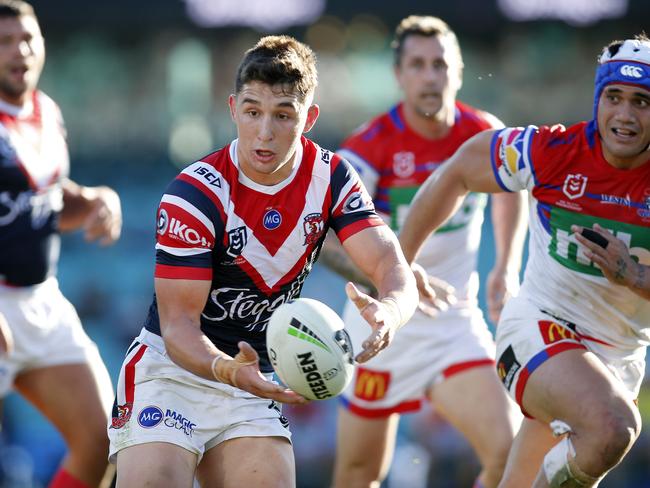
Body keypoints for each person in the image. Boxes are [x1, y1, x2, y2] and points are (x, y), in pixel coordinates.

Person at [107, 35, 418, 487]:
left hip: (254, 380)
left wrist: (390, 313)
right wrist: (228, 369)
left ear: (308, 118)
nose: (265, 132)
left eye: (283, 115)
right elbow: (177, 328)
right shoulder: (194, 194)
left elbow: (392, 267)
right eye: (253, 112)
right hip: (173, 374)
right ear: (233, 108)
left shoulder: (332, 178)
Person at [399, 34, 650, 487]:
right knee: (615, 428)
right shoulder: (551, 150)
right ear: (598, 98)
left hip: (616, 362)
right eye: (614, 97)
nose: (625, 116)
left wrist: (634, 275)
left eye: (642, 102)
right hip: (539, 331)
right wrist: (398, 266)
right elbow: (458, 170)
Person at [323, 16, 526, 488]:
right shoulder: (369, 147)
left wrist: (505, 266)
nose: (430, 76)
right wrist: (395, 274)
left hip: (452, 322)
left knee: (511, 454)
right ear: (399, 75)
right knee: (358, 474)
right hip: (380, 326)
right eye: (418, 64)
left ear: (457, 72)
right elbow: (325, 240)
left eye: (440, 65)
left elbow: (514, 189)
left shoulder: (483, 135)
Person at [0, 1, 122, 487]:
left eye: (27, 39)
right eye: (4, 42)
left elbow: (46, 199)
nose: (19, 51)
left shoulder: (46, 111)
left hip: (40, 301)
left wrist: (95, 201)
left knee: (106, 440)